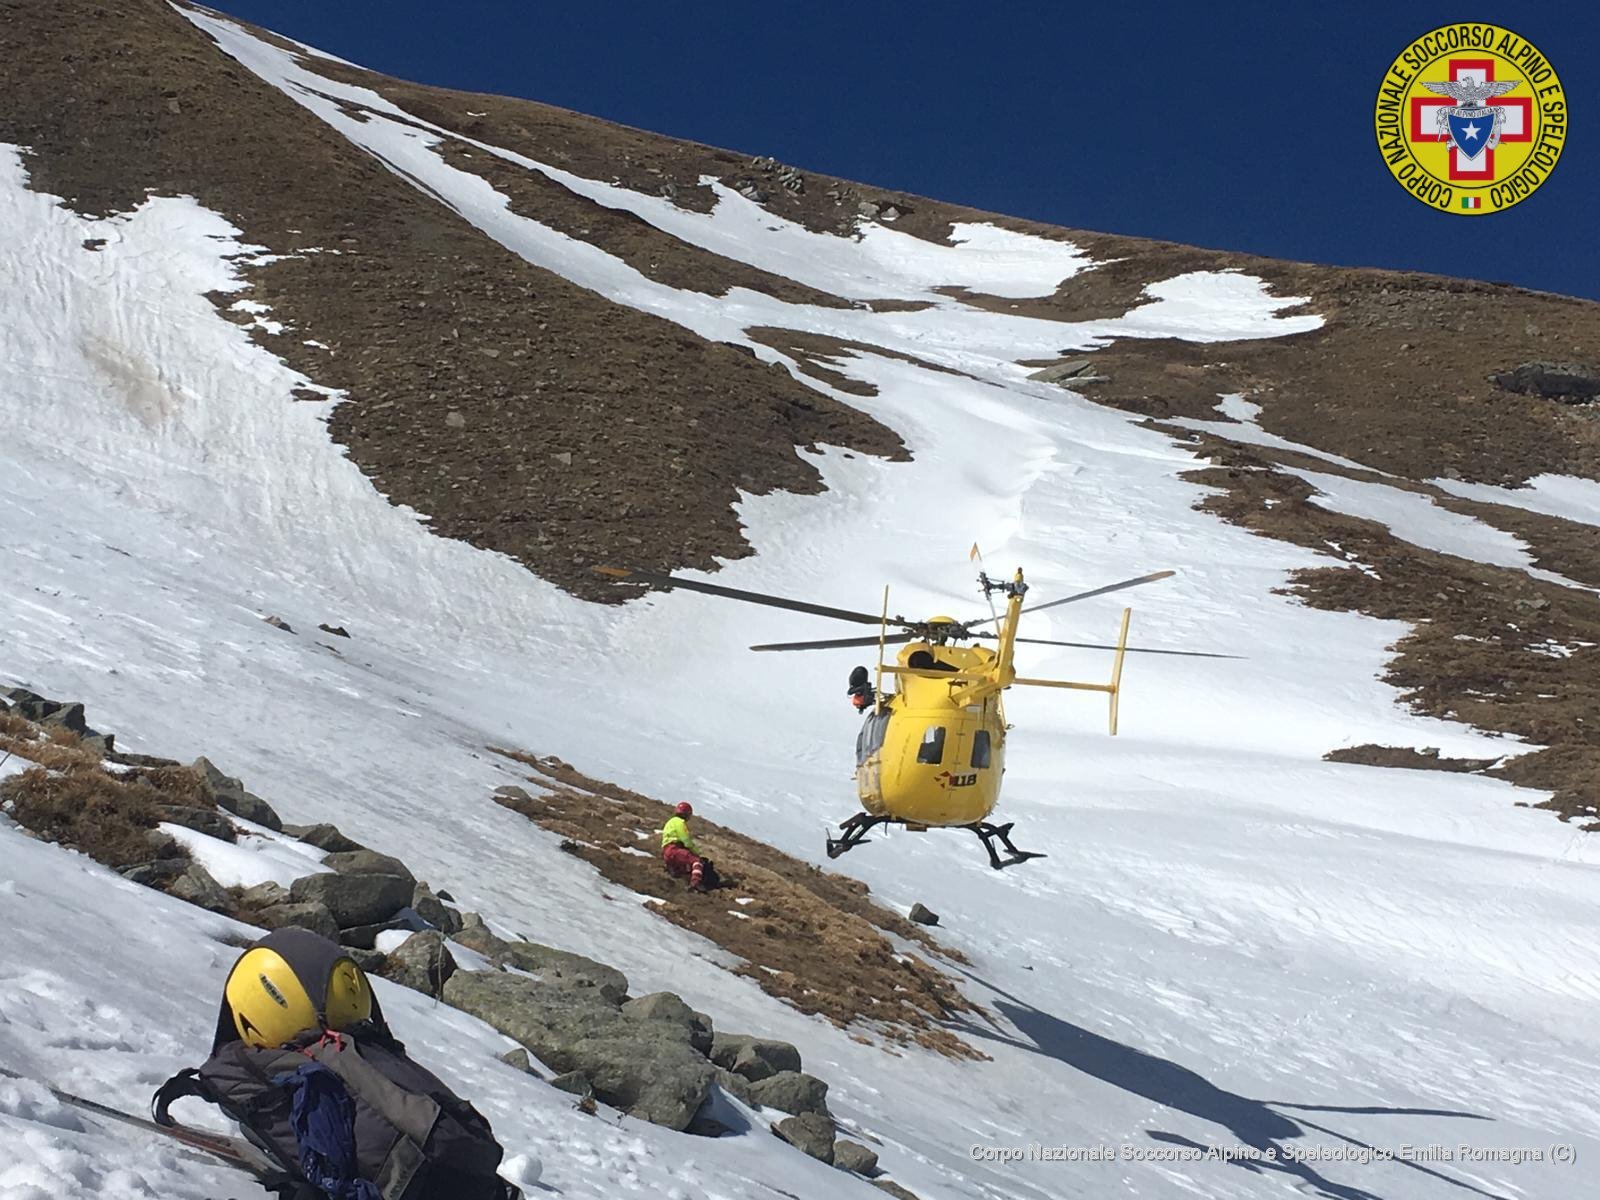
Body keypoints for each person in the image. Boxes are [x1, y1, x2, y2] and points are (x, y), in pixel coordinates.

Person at [661, 801, 709, 891]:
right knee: (696, 861)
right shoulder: (680, 823)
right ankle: (695, 883)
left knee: (682, 869)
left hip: (666, 851)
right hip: (675, 849)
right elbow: (686, 839)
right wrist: (696, 852)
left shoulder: (669, 822)